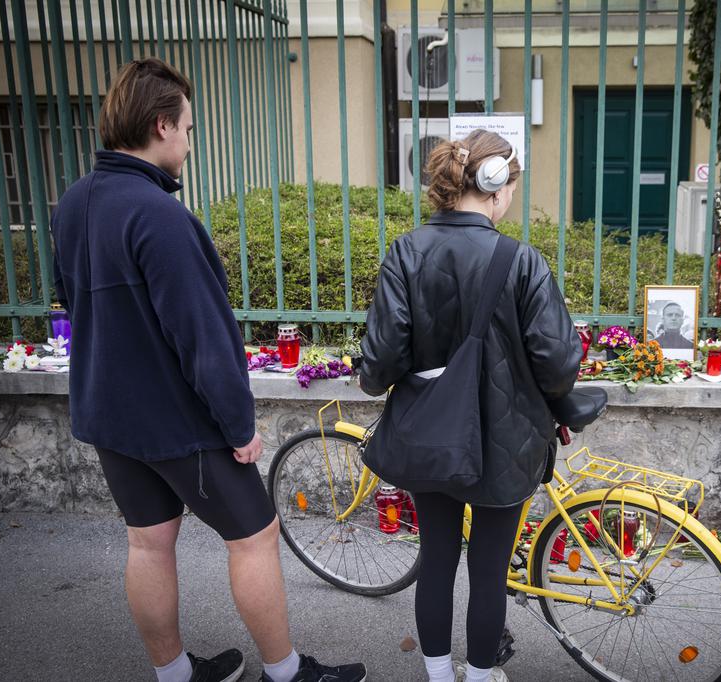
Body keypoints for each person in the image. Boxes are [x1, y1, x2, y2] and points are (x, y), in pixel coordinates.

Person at [50, 58, 366, 682]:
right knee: (254, 535)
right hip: (181, 421)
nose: (192, 144)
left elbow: (72, 298)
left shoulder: (75, 202)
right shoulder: (160, 216)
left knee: (148, 541)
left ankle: (174, 675)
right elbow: (203, 338)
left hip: (108, 415)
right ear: (162, 125)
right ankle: (286, 671)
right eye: (190, 130)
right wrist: (239, 425)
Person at [358, 129, 582, 682]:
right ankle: (480, 676)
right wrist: (556, 406)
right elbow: (557, 364)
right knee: (487, 570)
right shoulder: (522, 261)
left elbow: (380, 363)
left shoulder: (405, 253)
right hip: (509, 444)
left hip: (431, 438)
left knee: (436, 558)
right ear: (496, 187)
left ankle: (438, 674)